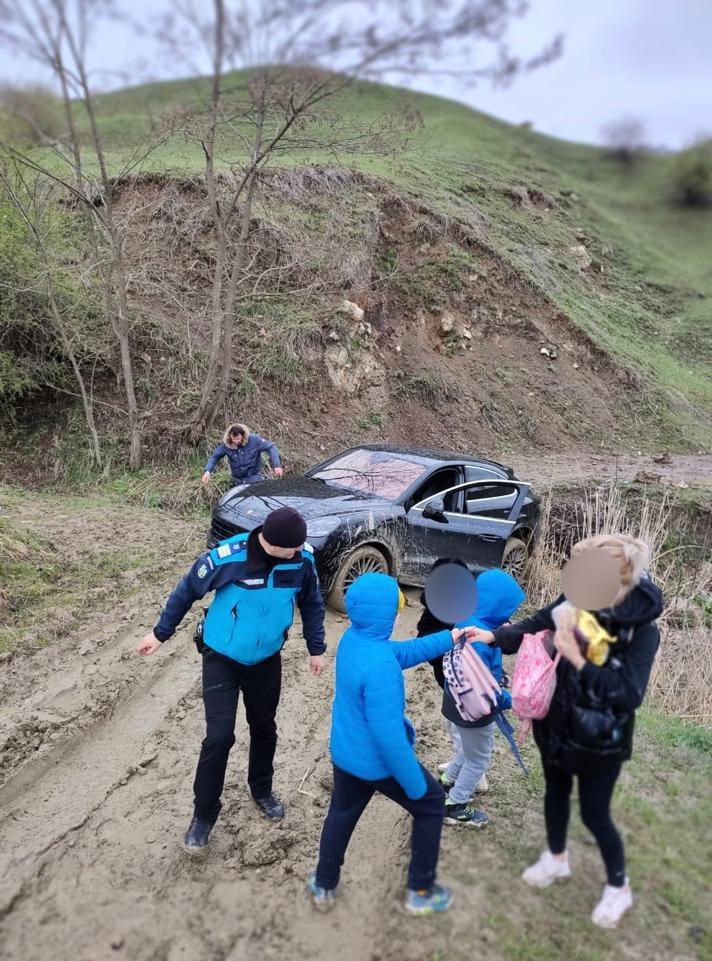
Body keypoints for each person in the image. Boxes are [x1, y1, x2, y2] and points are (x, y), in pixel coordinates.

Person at [470, 533, 663, 929]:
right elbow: (539, 622)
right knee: (555, 793)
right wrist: (494, 635)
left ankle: (618, 887)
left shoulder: (640, 632)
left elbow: (627, 694)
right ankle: (556, 859)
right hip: (555, 719)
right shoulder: (577, 600)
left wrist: (576, 657)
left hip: (599, 737)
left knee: (595, 815)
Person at [135, 506, 326, 854]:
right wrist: (159, 634)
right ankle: (204, 815)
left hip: (266, 659)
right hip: (221, 657)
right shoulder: (227, 557)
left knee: (265, 728)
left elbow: (312, 603)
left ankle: (262, 789)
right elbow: (186, 591)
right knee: (219, 737)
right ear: (271, 542)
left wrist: (317, 648)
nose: (299, 552)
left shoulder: (302, 561)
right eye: (293, 548)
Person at [307, 572, 471, 916]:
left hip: (346, 753)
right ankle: (421, 891)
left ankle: (324, 883)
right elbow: (389, 739)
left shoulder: (353, 640)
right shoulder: (381, 668)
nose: (400, 613)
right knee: (431, 805)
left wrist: (450, 638)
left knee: (341, 815)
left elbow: (402, 652)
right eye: (398, 607)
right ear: (390, 616)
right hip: (376, 763)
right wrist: (414, 785)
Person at [437, 568, 525, 828]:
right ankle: (455, 805)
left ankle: (448, 780)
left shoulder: (468, 621)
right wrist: (512, 701)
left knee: (466, 750)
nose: (510, 617)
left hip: (454, 701)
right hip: (474, 710)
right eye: (508, 609)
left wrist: (502, 633)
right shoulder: (480, 640)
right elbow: (483, 690)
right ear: (496, 605)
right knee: (479, 759)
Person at [201, 422, 284, 486]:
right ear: (230, 437)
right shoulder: (226, 445)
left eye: (238, 439)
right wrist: (208, 471)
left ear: (243, 435)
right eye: (234, 439)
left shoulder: (254, 440)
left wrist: (276, 465)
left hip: (254, 479)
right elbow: (215, 457)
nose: (236, 441)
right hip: (238, 482)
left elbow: (271, 447)